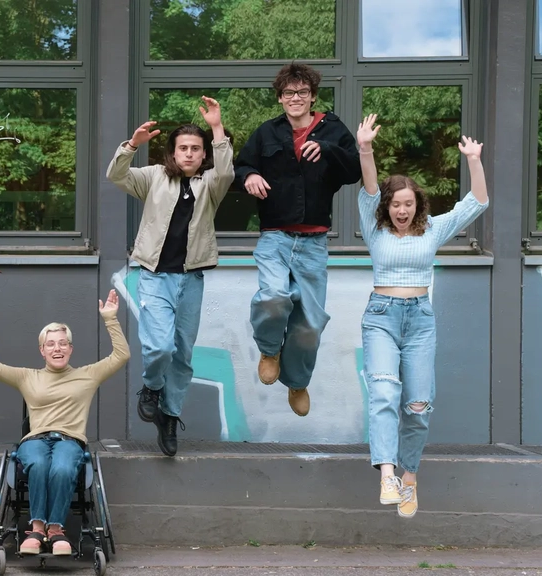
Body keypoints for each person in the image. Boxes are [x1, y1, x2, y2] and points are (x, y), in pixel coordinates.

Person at [355, 114, 489, 518]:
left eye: (408, 204)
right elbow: (369, 184)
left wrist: (473, 160)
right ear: (386, 207)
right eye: (395, 204)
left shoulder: (432, 228)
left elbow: (478, 202)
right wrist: (365, 148)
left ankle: (410, 477)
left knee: (417, 406)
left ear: (418, 205)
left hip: (419, 320)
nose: (401, 210)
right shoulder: (373, 227)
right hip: (381, 315)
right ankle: (388, 474)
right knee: (382, 394)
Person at [105, 97, 233, 457]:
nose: (189, 154)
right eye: (183, 148)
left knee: (183, 354)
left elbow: (227, 172)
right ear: (172, 153)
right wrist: (132, 145)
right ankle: (151, 388)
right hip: (154, 276)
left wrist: (216, 128)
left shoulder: (211, 183)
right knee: (159, 346)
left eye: (196, 149)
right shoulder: (154, 178)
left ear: (203, 154)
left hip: (190, 280)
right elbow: (115, 174)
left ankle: (169, 416)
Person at [0, 289, 129, 556]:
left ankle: (56, 530)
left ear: (71, 349)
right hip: (35, 440)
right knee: (37, 463)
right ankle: (37, 529)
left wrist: (110, 319)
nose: (57, 348)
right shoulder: (28, 377)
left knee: (61, 467)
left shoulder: (88, 375)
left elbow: (121, 356)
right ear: (42, 350)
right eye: (51, 344)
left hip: (70, 440)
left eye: (62, 343)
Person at [233, 62, 361, 417]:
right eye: (289, 93)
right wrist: (250, 176)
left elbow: (354, 168)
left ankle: (298, 381)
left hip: (313, 243)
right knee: (274, 298)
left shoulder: (332, 129)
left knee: (310, 324)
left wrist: (329, 150)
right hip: (274, 236)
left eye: (302, 92)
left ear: (313, 96)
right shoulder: (266, 132)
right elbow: (240, 166)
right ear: (280, 98)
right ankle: (270, 349)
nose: (295, 98)